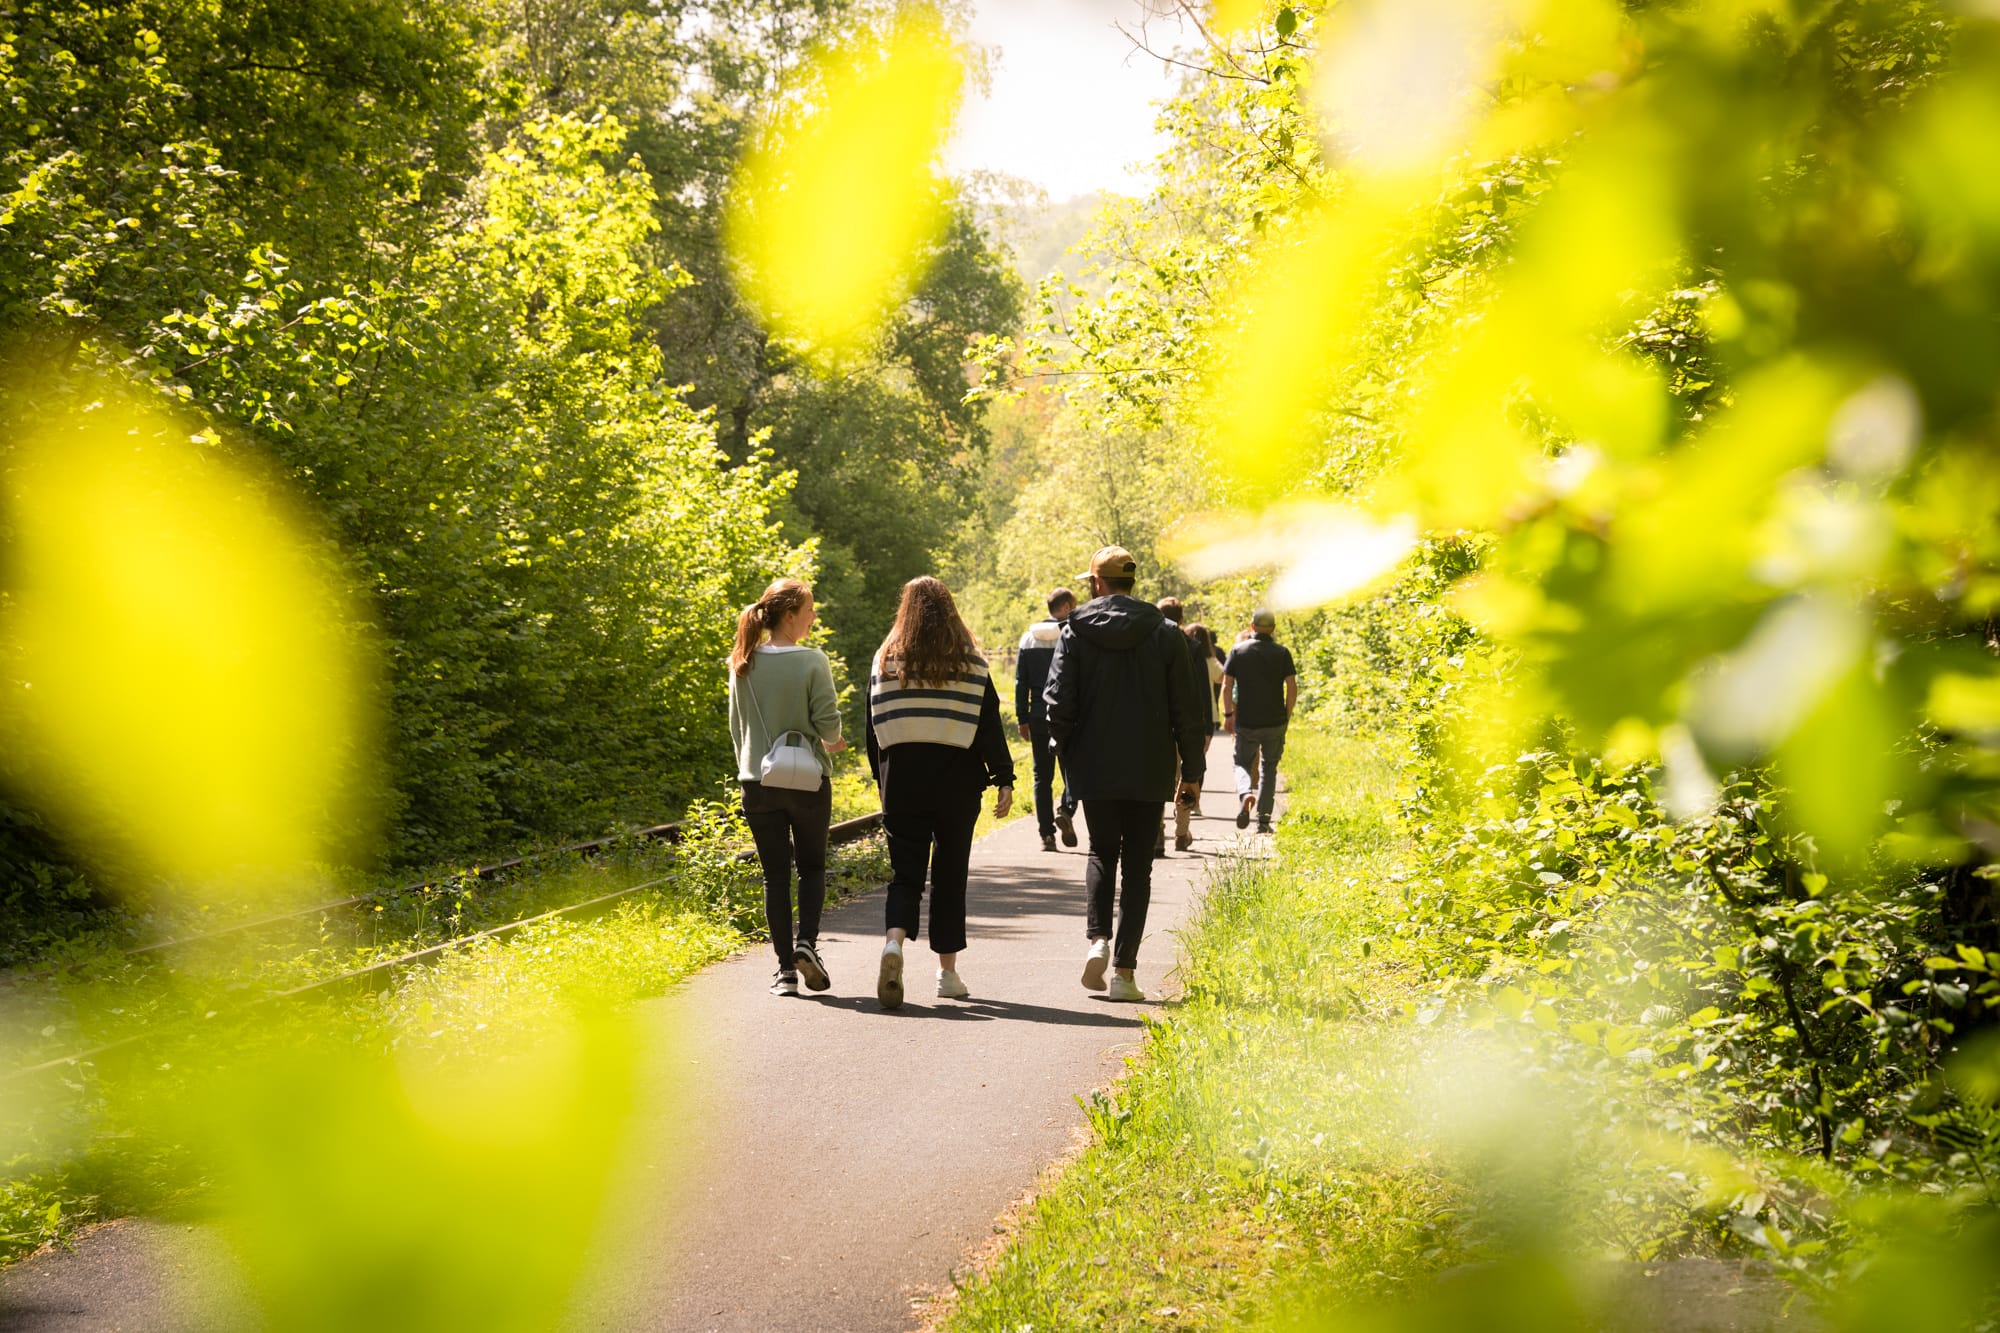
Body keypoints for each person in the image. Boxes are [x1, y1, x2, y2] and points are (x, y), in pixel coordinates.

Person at [1044, 546, 1206, 1002]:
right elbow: (1187, 711)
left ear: (1096, 583)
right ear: (1131, 582)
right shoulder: (1166, 633)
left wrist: (1071, 758)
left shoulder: (1074, 630)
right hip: (1150, 766)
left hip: (1094, 766)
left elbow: (1056, 703)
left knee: (1100, 852)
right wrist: (1191, 772)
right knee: (1138, 869)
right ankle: (1125, 973)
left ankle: (1097, 939)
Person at [866, 576, 1016, 1009]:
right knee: (950, 874)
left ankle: (894, 943)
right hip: (957, 778)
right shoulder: (970, 661)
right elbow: (989, 726)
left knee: (905, 874)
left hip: (902, 777)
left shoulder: (886, 660)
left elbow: (871, 729)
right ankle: (946, 975)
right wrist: (1003, 777)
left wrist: (883, 780)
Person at [728, 577, 847, 997]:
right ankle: (806, 944)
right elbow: (827, 723)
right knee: (812, 867)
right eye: (810, 610)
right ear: (791, 615)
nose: (814, 617)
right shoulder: (813, 661)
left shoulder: (743, 661)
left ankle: (785, 973)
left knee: (774, 876)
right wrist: (834, 741)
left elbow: (736, 726)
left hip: (758, 781)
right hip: (808, 780)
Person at [1221, 607, 1298, 836]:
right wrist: (1287, 713)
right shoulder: (1282, 652)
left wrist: (1228, 715)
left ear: (1252, 627)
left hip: (1246, 721)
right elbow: (1291, 686)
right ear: (1273, 629)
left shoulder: (1238, 651)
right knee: (1269, 768)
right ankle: (1263, 820)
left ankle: (1245, 794)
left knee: (1242, 764)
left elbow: (1226, 686)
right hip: (1275, 720)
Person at [1015, 587, 1079, 852]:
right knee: (1073, 769)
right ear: (1064, 607)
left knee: (1042, 774)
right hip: (1067, 715)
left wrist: (1022, 717)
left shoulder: (1028, 638)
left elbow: (1020, 683)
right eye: (1073, 605)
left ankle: (1046, 835)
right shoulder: (1073, 634)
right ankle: (1065, 808)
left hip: (1038, 715)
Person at [1153, 598, 1212, 856]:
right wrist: (1206, 728)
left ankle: (1157, 832)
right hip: (1187, 723)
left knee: (1158, 778)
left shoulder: (1151, 643)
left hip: (1158, 724)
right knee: (1188, 777)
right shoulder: (1193, 647)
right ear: (1182, 618)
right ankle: (1181, 832)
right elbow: (1200, 691)